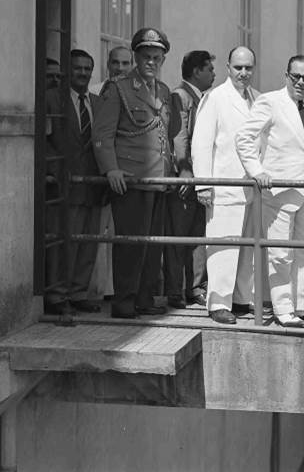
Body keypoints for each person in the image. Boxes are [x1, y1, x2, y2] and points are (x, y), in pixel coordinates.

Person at [235, 55, 304, 328]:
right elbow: (244, 138)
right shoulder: (270, 101)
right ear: (286, 75)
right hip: (279, 188)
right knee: (280, 252)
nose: (300, 82)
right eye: (295, 76)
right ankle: (283, 309)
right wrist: (256, 171)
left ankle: (302, 304)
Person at [92, 27, 173, 319]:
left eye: (157, 57)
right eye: (146, 56)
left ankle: (145, 297)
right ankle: (124, 301)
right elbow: (102, 134)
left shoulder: (163, 91)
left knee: (153, 247)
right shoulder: (119, 89)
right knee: (130, 246)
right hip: (131, 180)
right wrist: (110, 168)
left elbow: (165, 137)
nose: (152, 62)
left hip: (158, 180)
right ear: (136, 57)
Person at [192, 46, 261, 325]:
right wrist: (204, 185)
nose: (243, 73)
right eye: (238, 68)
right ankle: (218, 302)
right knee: (223, 246)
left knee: (246, 248)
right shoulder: (215, 98)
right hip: (223, 185)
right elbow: (201, 144)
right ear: (228, 68)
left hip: (250, 187)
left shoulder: (256, 98)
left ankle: (241, 299)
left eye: (248, 68)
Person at [43, 49, 103, 314]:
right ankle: (57, 296)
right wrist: (56, 169)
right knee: (63, 243)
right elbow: (42, 140)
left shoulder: (98, 102)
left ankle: (79, 292)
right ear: (68, 71)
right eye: (77, 68)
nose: (82, 73)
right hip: (65, 184)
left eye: (87, 69)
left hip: (94, 184)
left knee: (88, 243)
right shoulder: (50, 100)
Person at [164, 50, 215, 309]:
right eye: (210, 69)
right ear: (196, 71)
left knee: (197, 235)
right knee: (178, 236)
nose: (214, 74)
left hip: (200, 177)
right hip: (185, 178)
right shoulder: (181, 96)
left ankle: (195, 287)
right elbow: (179, 136)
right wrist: (184, 171)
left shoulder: (204, 98)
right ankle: (175, 290)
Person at [88, 45, 134, 300]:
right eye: (116, 63)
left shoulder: (137, 92)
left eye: (126, 63)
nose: (120, 68)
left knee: (120, 234)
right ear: (108, 64)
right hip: (100, 173)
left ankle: (114, 290)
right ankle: (96, 290)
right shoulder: (96, 92)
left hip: (124, 174)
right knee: (96, 235)